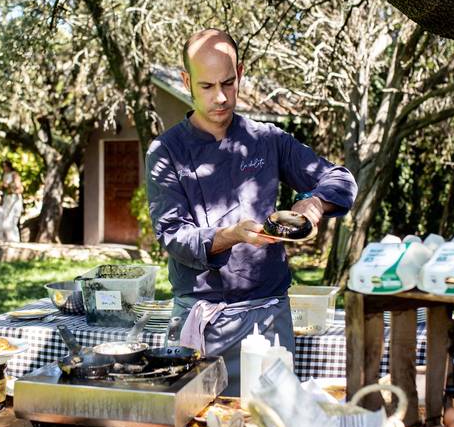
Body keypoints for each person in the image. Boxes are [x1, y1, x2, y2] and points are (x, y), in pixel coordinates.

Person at [146, 29, 358, 395]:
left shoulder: (267, 139)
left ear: (240, 72)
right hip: (201, 321)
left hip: (268, 317)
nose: (221, 97)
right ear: (186, 82)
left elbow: (340, 179)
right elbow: (174, 236)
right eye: (207, 86)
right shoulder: (167, 152)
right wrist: (232, 235)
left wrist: (316, 203)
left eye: (228, 83)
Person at [0, 159, 24, 243]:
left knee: (11, 220)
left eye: (5, 166)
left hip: (14, 199)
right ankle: (4, 240)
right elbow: (2, 189)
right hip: (6, 199)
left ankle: (13, 241)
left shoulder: (14, 175)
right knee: (1, 219)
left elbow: (20, 188)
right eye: (3, 167)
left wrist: (11, 188)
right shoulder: (4, 175)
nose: (4, 168)